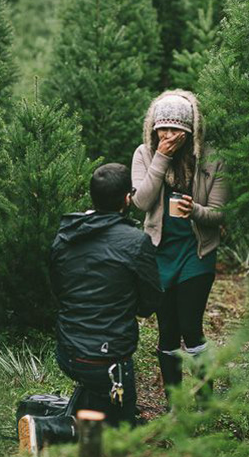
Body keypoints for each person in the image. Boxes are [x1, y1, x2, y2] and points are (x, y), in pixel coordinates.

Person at [131, 89, 227, 404]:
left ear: (190, 131)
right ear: (154, 128)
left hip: (197, 252)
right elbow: (141, 202)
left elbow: (220, 212)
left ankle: (204, 400)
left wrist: (195, 211)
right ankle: (174, 402)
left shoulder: (212, 158)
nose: (169, 135)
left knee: (190, 325)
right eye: (164, 129)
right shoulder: (144, 154)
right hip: (160, 252)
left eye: (177, 130)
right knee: (167, 330)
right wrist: (162, 156)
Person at [51, 163, 163, 427]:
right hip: (108, 361)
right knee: (123, 431)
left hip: (67, 352)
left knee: (98, 400)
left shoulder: (65, 235)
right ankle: (50, 428)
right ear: (127, 198)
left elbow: (58, 291)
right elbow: (149, 304)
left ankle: (81, 414)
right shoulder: (136, 242)